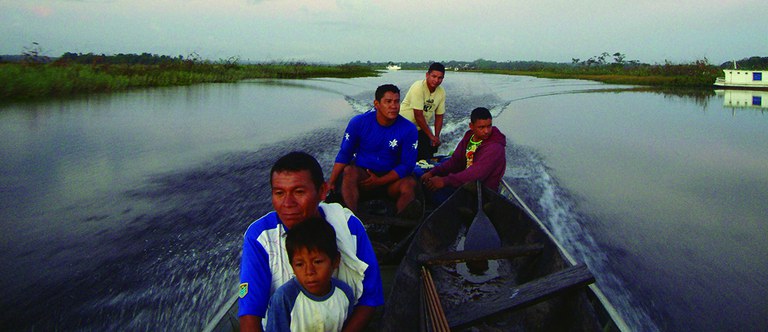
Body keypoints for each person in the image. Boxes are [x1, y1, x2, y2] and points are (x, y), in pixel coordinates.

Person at [238, 151, 384, 332]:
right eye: (279, 193)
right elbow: (250, 314)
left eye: (299, 192)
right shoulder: (259, 237)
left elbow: (369, 298)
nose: (287, 203)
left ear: (322, 191)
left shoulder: (347, 226)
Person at [328, 84, 419, 217]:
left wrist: (379, 181)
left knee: (409, 184)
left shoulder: (409, 129)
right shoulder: (358, 122)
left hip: (391, 181)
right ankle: (353, 219)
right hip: (364, 178)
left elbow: (407, 165)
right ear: (376, 104)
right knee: (349, 171)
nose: (394, 106)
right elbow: (345, 154)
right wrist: (331, 182)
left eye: (396, 101)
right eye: (388, 102)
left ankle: (398, 226)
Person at [265, 217, 355, 332]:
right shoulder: (285, 298)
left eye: (317, 262)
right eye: (300, 264)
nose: (309, 272)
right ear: (292, 265)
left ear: (335, 261)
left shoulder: (345, 294)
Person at [421, 107, 506, 202]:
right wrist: (433, 172)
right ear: (471, 126)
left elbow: (476, 174)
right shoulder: (469, 136)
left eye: (489, 126)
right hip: (463, 184)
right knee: (423, 182)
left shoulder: (495, 148)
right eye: (481, 127)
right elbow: (455, 161)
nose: (486, 131)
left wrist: (444, 181)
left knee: (432, 194)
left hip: (480, 194)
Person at [399, 62, 447, 161]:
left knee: (430, 148)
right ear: (427, 75)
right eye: (434, 76)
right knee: (409, 154)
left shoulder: (441, 92)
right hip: (404, 125)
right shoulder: (418, 87)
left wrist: (436, 137)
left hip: (420, 127)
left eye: (440, 78)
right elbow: (418, 115)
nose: (436, 80)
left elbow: (439, 116)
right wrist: (431, 135)